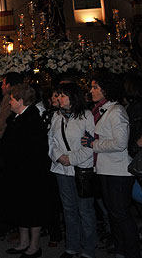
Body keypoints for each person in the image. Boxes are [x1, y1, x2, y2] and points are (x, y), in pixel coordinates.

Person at [81, 72, 140, 258]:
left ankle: (131, 252)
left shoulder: (116, 111)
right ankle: (121, 250)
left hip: (118, 171)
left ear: (107, 90)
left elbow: (120, 143)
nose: (91, 91)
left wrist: (93, 144)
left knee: (121, 215)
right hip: (106, 169)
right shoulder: (102, 109)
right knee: (114, 215)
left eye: (95, 87)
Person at [48, 82, 97, 258]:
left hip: (82, 170)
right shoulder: (56, 117)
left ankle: (88, 249)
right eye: (58, 95)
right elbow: (51, 141)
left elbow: (91, 143)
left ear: (72, 97)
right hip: (61, 170)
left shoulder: (86, 116)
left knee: (85, 210)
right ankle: (72, 246)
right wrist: (59, 157)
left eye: (62, 95)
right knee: (69, 210)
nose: (58, 99)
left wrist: (72, 159)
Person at [2, 84, 50, 258]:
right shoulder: (16, 117)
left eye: (12, 99)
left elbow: (32, 150)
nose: (9, 102)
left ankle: (35, 246)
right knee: (20, 208)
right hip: (18, 173)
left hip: (31, 174)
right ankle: (23, 242)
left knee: (33, 210)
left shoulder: (32, 120)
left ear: (21, 101)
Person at [0, 72, 25, 138]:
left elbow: (2, 122)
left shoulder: (8, 98)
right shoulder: (22, 96)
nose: (1, 87)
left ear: (8, 86)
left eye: (3, 84)